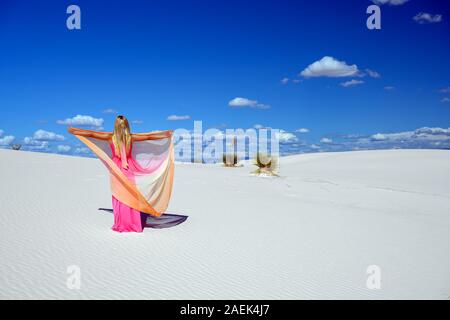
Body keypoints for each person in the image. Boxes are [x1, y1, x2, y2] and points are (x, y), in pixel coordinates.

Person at [68, 115, 174, 233]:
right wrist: (165, 134)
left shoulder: (110, 137)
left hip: (117, 167)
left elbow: (92, 134)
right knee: (129, 193)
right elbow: (148, 136)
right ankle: (133, 223)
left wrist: (76, 131)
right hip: (128, 167)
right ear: (127, 125)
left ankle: (123, 223)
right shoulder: (131, 137)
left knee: (120, 194)